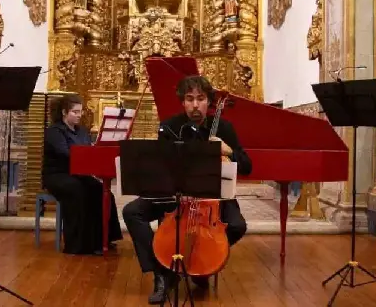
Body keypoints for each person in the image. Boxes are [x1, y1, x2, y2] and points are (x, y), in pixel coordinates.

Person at [123, 75, 251, 304]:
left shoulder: (224, 127)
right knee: (132, 212)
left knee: (238, 225)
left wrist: (228, 151)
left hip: (214, 199)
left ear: (209, 102)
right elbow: (160, 166)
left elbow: (248, 166)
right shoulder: (169, 127)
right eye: (189, 99)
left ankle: (201, 261)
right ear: (182, 102)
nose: (195, 104)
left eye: (200, 99)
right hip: (177, 195)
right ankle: (162, 273)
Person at [42, 94, 122, 255]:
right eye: (75, 112)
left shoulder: (82, 131)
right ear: (65, 112)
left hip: (78, 173)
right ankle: (77, 245)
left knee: (102, 191)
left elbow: (88, 150)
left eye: (80, 112)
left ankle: (103, 239)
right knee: (77, 191)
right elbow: (66, 153)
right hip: (58, 175)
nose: (79, 115)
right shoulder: (54, 132)